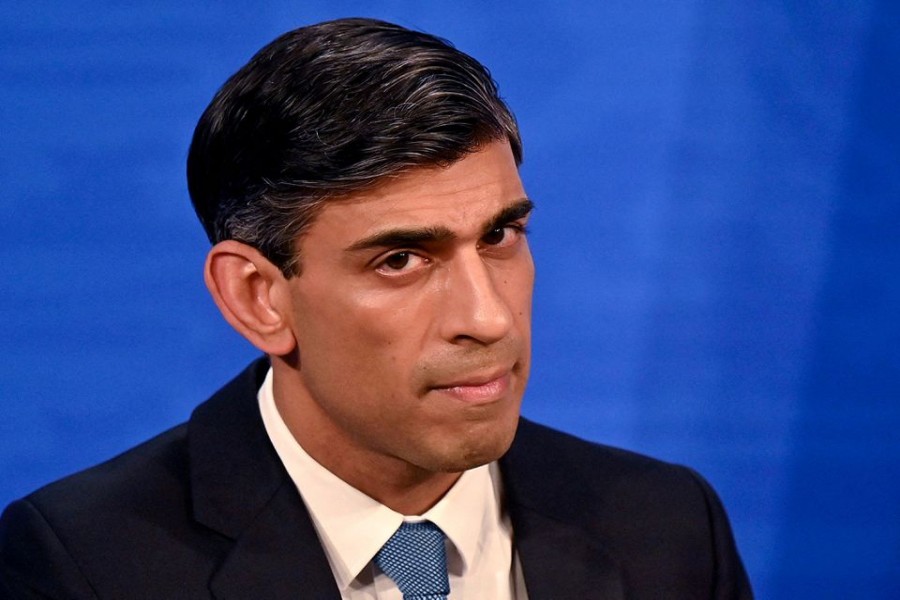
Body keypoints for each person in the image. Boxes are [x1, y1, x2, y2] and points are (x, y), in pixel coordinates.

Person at [0, 17, 752, 599]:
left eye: (501, 235)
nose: (487, 318)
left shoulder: (668, 527)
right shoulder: (85, 565)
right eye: (401, 260)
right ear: (258, 297)